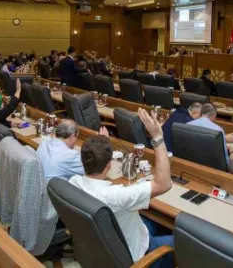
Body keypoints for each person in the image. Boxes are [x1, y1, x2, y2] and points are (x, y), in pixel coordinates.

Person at [70, 109, 174, 268]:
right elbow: (164, 184)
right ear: (109, 165)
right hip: (138, 254)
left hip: (104, 247)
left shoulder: (73, 182)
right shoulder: (118, 195)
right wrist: (157, 137)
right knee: (183, 240)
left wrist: (101, 145)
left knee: (154, 221)